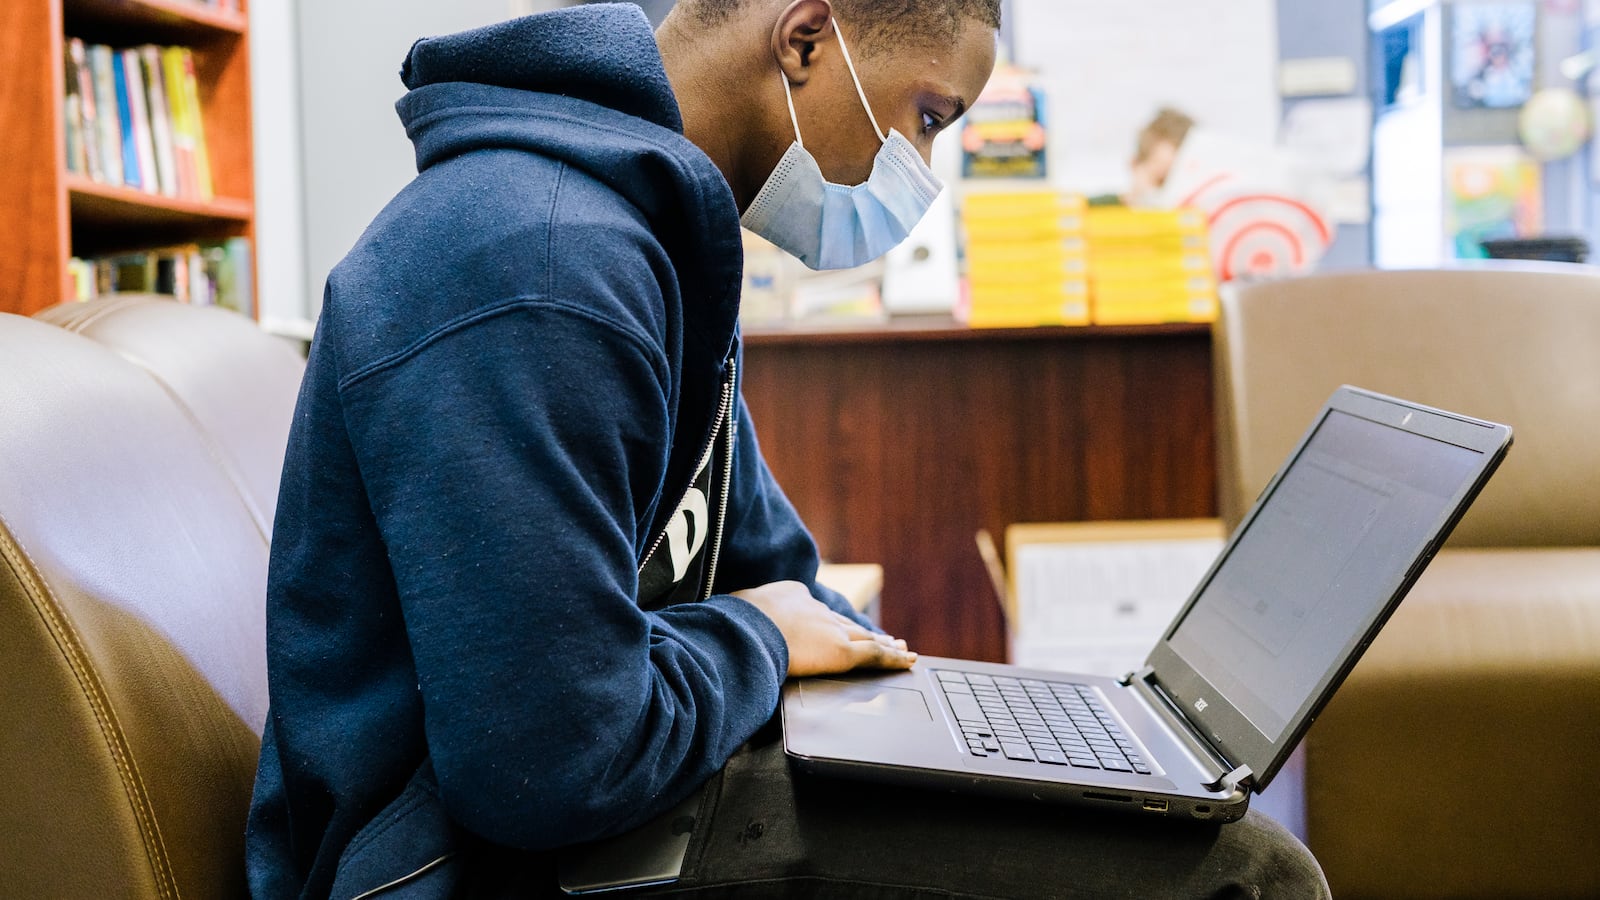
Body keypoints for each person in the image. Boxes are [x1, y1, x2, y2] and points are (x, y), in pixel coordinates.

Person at [245, 2, 1330, 897]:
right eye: (927, 117)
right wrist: (761, 639)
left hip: (603, 799)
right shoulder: (534, 268)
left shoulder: (659, 238)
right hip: (463, 863)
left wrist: (912, 702)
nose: (921, 168)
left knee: (1151, 824)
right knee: (1240, 872)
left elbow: (779, 575)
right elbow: (549, 765)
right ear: (805, 39)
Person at [1127, 107, 1195, 207]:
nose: (1167, 195)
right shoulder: (1099, 210)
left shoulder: (1199, 216)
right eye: (1162, 182)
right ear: (1134, 165)